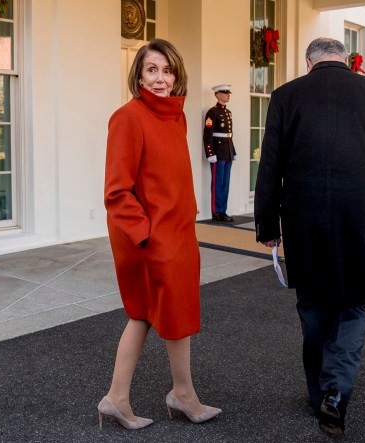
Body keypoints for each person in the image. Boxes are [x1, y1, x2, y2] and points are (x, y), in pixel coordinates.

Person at [254, 37, 365, 438]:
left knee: (313, 306)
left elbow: (270, 166)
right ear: (346, 60)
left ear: (309, 62)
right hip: (358, 216)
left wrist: (267, 226)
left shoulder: (286, 95)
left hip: (303, 218)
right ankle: (336, 392)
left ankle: (318, 393)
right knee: (355, 305)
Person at [99, 38, 222, 431]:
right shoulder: (128, 117)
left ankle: (139, 397)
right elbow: (116, 192)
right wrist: (148, 237)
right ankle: (166, 395)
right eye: (151, 70)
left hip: (179, 231)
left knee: (168, 313)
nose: (160, 78)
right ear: (138, 74)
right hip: (152, 239)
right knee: (145, 313)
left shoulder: (177, 116)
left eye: (167, 70)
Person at [203, 84, 237, 222]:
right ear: (217, 94)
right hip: (217, 153)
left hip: (227, 152)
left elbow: (229, 135)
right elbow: (207, 134)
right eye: (225, 92)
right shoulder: (212, 112)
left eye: (228, 92)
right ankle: (217, 211)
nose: (228, 95)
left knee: (226, 183)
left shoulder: (228, 113)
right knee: (217, 183)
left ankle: (223, 210)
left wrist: (233, 151)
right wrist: (210, 153)